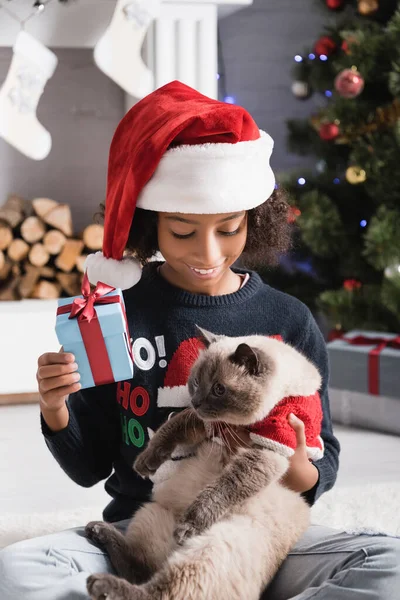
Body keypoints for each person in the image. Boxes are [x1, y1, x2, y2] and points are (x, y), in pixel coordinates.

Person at [0, 80, 399, 600]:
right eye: (184, 231)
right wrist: (56, 407)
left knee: (388, 564)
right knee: (18, 569)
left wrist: (303, 471)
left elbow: (323, 459)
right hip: (145, 530)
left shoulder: (289, 318)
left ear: (255, 220)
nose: (209, 252)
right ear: (151, 226)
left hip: (258, 537)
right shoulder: (119, 313)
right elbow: (90, 467)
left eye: (228, 228)